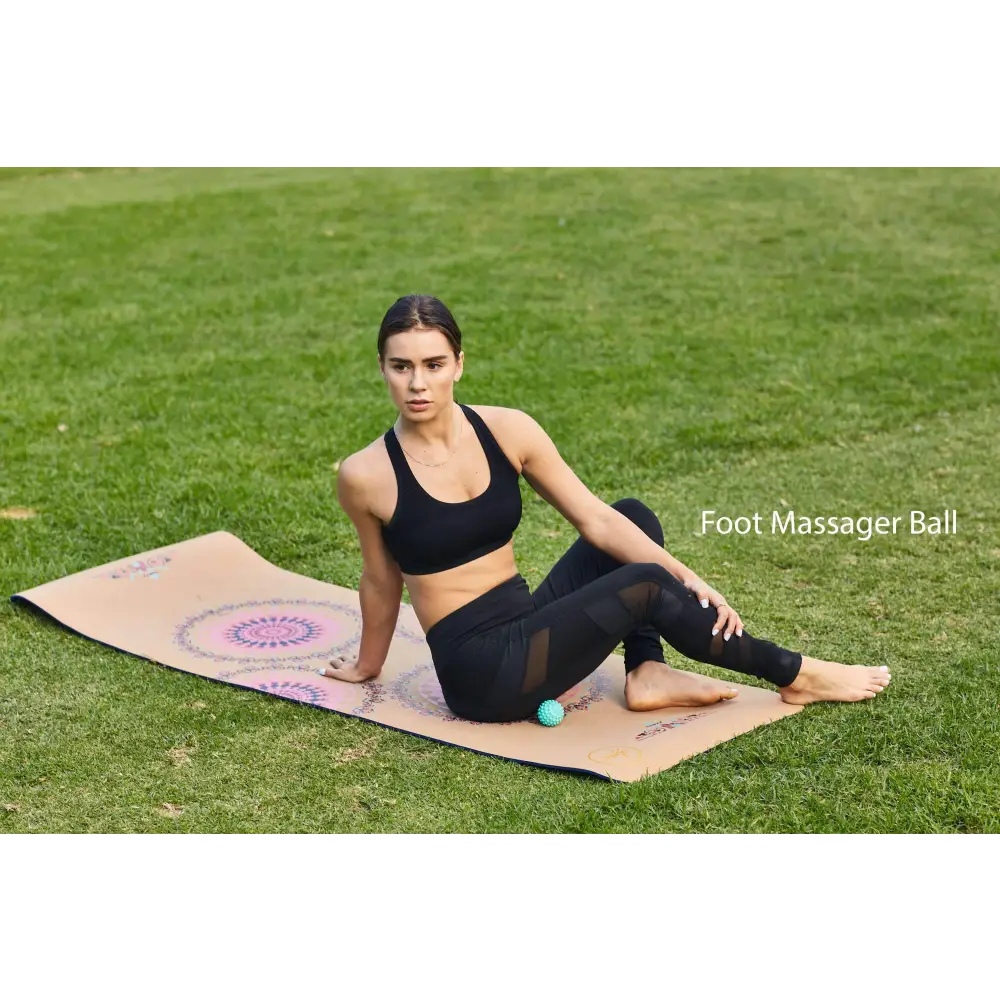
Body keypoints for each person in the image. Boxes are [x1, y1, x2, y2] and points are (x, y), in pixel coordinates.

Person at [318, 294, 891, 723]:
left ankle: (645, 670)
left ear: (459, 364)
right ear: (382, 368)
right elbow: (379, 578)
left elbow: (593, 518)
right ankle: (795, 673)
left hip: (526, 625)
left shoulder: (507, 430)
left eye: (433, 364)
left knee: (632, 516)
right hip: (482, 675)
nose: (418, 383)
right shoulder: (365, 474)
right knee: (642, 581)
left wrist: (690, 577)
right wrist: (368, 665)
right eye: (402, 366)